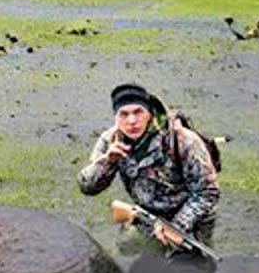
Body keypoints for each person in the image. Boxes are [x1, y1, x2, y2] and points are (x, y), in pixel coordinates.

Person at [78, 83, 220, 251]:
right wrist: (108, 161)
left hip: (191, 218)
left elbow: (207, 192)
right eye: (124, 114)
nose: (131, 121)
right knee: (127, 249)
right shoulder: (110, 139)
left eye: (138, 112)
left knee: (193, 267)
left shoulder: (184, 140)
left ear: (150, 113)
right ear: (116, 117)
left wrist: (176, 227)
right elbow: (87, 187)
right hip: (148, 216)